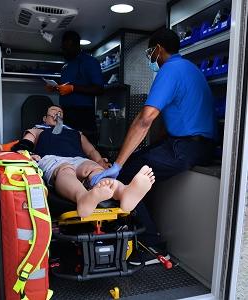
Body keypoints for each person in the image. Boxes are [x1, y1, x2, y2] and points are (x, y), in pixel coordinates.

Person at [90, 29, 216, 264]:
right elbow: (169, 118)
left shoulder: (169, 70)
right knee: (139, 161)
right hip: (198, 145)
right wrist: (145, 151)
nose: (150, 57)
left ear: (158, 49)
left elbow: (145, 118)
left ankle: (152, 246)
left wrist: (118, 164)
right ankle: (140, 233)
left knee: (128, 174)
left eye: (150, 52)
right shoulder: (190, 68)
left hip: (186, 147)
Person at [12, 104, 155, 218]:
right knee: (65, 169)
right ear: (45, 118)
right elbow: (24, 145)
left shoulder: (75, 133)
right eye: (53, 113)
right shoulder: (38, 130)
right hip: (52, 159)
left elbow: (91, 151)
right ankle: (83, 198)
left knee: (94, 170)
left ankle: (124, 192)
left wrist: (99, 161)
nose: (57, 116)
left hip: (79, 159)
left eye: (60, 114)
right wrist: (27, 154)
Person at [45, 31, 104, 144]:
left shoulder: (90, 62)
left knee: (85, 146)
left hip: (83, 113)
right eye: (63, 48)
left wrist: (73, 88)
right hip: (64, 112)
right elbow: (65, 87)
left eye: (67, 48)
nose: (64, 51)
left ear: (76, 45)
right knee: (65, 143)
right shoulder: (65, 65)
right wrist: (55, 88)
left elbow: (99, 89)